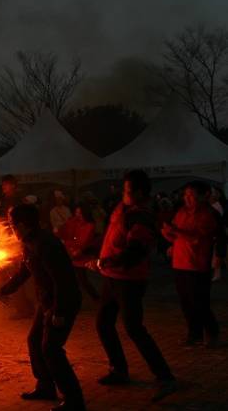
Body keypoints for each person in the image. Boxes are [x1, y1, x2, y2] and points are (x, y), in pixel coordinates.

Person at [0, 204, 84, 411]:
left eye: (12, 224)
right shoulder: (29, 242)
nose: (11, 229)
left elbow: (63, 280)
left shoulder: (46, 244)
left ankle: (74, 400)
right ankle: (45, 386)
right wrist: (3, 290)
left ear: (22, 225)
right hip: (47, 302)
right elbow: (25, 271)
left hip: (62, 301)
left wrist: (58, 312)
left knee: (51, 349)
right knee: (34, 341)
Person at [95, 170, 176, 402]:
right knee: (103, 324)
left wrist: (109, 260)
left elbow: (136, 251)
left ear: (140, 193)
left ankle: (165, 376)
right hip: (112, 277)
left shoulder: (140, 216)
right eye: (124, 189)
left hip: (129, 280)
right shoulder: (124, 209)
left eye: (128, 191)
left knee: (134, 328)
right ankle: (118, 370)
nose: (124, 194)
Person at [162, 181, 223, 347]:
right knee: (186, 302)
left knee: (200, 302)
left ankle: (212, 333)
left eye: (191, 195)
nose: (187, 198)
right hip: (180, 263)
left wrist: (176, 232)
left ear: (204, 196)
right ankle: (194, 334)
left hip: (197, 264)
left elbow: (196, 238)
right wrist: (168, 235)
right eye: (185, 195)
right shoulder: (182, 212)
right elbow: (177, 236)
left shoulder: (208, 214)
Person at [0, 174, 35, 319]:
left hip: (15, 242)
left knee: (16, 273)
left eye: (6, 184)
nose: (3, 187)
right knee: (16, 274)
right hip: (8, 240)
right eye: (3, 184)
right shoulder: (6, 200)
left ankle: (24, 308)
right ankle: (25, 306)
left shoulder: (17, 201)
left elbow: (17, 222)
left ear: (13, 185)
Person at [58, 203, 100, 300]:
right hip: (72, 255)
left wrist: (66, 242)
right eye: (76, 213)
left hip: (82, 256)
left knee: (83, 280)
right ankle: (75, 298)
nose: (78, 215)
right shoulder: (74, 222)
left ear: (85, 213)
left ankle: (96, 298)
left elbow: (83, 243)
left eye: (80, 213)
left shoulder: (89, 226)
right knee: (72, 279)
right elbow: (65, 231)